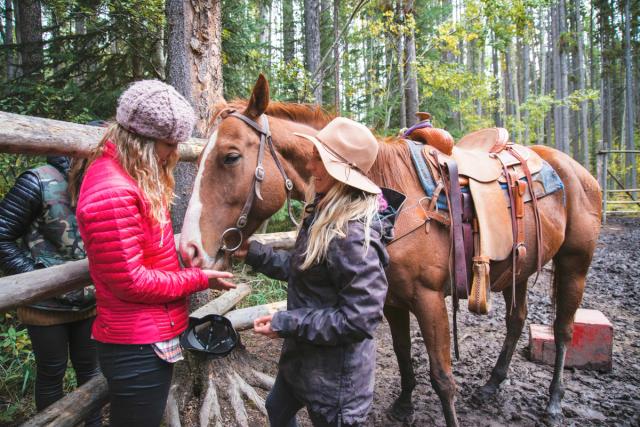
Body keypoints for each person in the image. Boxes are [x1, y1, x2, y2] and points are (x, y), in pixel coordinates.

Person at [73, 80, 235, 427]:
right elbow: (130, 281)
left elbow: (134, 251)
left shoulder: (128, 177)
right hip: (136, 345)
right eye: (169, 143)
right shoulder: (112, 193)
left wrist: (177, 248)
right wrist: (196, 279)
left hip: (146, 338)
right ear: (142, 140)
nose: (173, 153)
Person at [242, 117, 391, 427]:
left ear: (342, 173)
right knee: (278, 408)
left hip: (337, 380)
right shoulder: (324, 212)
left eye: (319, 159)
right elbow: (305, 268)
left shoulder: (352, 236)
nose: (309, 166)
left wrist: (286, 322)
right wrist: (252, 253)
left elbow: (360, 318)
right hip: (304, 359)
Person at [0, 155, 102, 426]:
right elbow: (2, 236)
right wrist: (38, 279)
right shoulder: (37, 181)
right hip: (45, 306)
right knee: (52, 371)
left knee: (91, 371)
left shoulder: (102, 182)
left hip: (90, 301)